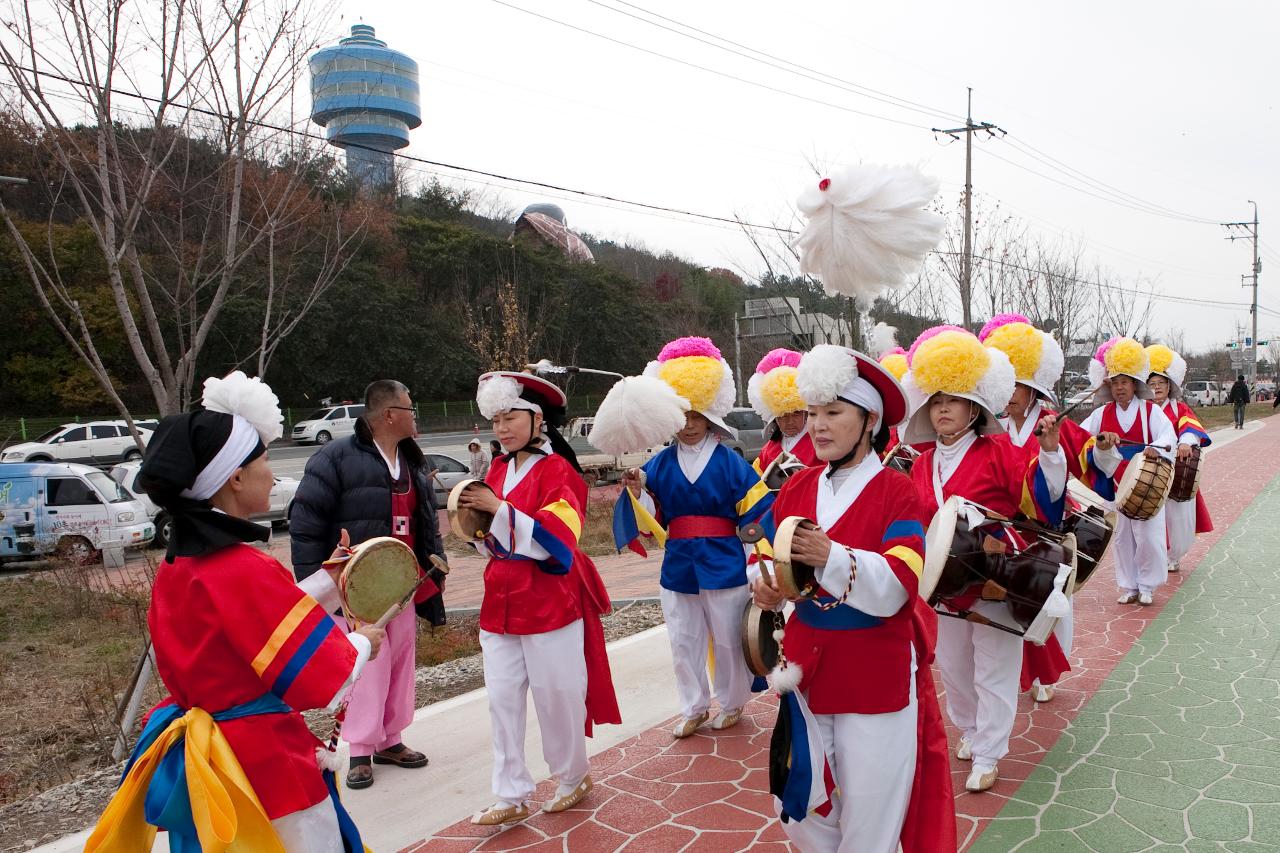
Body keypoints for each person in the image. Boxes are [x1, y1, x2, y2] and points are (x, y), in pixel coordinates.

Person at [87, 372, 385, 852]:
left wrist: (331, 581)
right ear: (236, 476)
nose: (272, 472)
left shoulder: (179, 565)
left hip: (207, 766)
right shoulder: (243, 567)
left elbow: (254, 628)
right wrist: (363, 643)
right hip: (262, 763)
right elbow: (313, 676)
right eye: (264, 460)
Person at [751, 345, 954, 853]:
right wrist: (766, 585)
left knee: (872, 814)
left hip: (876, 672)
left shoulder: (897, 491)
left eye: (833, 413)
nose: (818, 426)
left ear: (869, 421)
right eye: (814, 413)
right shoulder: (795, 488)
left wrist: (831, 555)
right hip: (807, 670)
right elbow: (768, 560)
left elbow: (901, 586)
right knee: (796, 803)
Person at [902, 326, 1068, 793]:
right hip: (945, 585)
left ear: (975, 406)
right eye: (936, 402)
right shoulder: (920, 463)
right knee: (953, 664)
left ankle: (990, 751)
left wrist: (1051, 456)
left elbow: (1042, 505)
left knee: (994, 667)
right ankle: (971, 731)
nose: (943, 410)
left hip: (997, 579)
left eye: (952, 401)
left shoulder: (1000, 453)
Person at [460, 371, 619, 825]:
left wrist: (498, 511)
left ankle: (572, 776)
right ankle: (509, 792)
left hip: (550, 598)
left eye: (511, 417)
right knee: (502, 699)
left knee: (558, 695)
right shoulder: (495, 469)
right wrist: (475, 527)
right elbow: (484, 536)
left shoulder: (559, 471)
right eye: (495, 421)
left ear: (538, 419)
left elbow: (559, 539)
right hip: (501, 600)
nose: (502, 429)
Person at [607, 337, 772, 738]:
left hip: (724, 559)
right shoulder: (658, 463)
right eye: (682, 414)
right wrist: (638, 487)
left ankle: (731, 702)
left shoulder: (731, 462)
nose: (690, 422)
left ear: (711, 415)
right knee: (684, 640)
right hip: (679, 561)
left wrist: (758, 559)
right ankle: (693, 706)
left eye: (697, 414)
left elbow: (759, 511)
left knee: (730, 638)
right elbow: (651, 512)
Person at [290, 380, 446, 790]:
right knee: (365, 664)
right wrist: (317, 589)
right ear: (390, 414)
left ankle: (390, 739)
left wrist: (437, 563)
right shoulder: (335, 458)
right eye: (410, 408)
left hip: (403, 582)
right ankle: (359, 746)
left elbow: (426, 519)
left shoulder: (411, 460)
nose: (415, 415)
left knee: (399, 662)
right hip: (357, 588)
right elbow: (306, 524)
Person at [980, 314, 1092, 704]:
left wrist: (1089, 451)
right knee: (1009, 607)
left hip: (1044, 528)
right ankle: (1015, 675)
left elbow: (1087, 456)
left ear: (1033, 389)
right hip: (1002, 533)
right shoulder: (988, 429)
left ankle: (1046, 673)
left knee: (1052, 604)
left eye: (1019, 386)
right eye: (1005, 385)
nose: (1010, 394)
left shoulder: (1049, 423)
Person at [1078, 338, 1178, 606]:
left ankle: (1147, 584)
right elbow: (1081, 439)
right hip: (1115, 485)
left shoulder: (1150, 411)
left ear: (1135, 383)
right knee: (1122, 538)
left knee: (1148, 537)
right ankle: (1128, 585)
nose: (1120, 387)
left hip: (1144, 482)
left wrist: (1156, 448)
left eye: (1125, 381)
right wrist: (1098, 443)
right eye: (1115, 382)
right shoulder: (1102, 413)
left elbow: (1168, 438)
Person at [1145, 345, 1214, 571]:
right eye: (1151, 384)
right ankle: (1157, 555)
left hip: (1176, 471)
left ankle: (1174, 555)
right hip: (1149, 473)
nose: (1156, 388)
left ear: (1169, 386)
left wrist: (1185, 442)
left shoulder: (1179, 408)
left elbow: (1190, 427)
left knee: (1179, 518)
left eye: (1160, 384)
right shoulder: (1143, 410)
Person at [749, 348, 818, 472]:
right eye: (783, 415)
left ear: (805, 413)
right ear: (775, 417)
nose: (790, 421)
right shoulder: (767, 452)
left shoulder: (820, 444)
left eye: (796, 413)